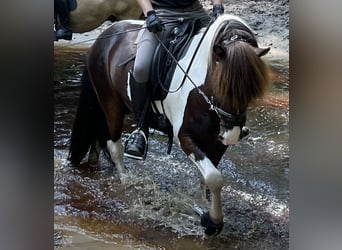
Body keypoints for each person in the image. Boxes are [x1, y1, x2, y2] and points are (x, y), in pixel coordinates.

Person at [124, 0, 224, 160]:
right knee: (141, 68)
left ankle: (231, 119)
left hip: (196, 13)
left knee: (228, 54)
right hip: (163, 15)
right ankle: (140, 131)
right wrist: (149, 14)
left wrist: (217, 6)